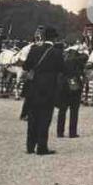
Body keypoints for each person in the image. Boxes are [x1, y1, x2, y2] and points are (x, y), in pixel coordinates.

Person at [22, 27, 64, 155]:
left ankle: (30, 146)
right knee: (44, 118)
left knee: (33, 117)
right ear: (55, 38)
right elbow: (62, 68)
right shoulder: (56, 52)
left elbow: (26, 66)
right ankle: (41, 147)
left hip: (33, 87)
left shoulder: (34, 49)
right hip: (48, 89)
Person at [57, 45, 84, 139]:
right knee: (74, 111)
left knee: (62, 110)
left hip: (64, 86)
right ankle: (72, 132)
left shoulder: (64, 61)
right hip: (74, 86)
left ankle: (60, 132)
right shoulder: (77, 62)